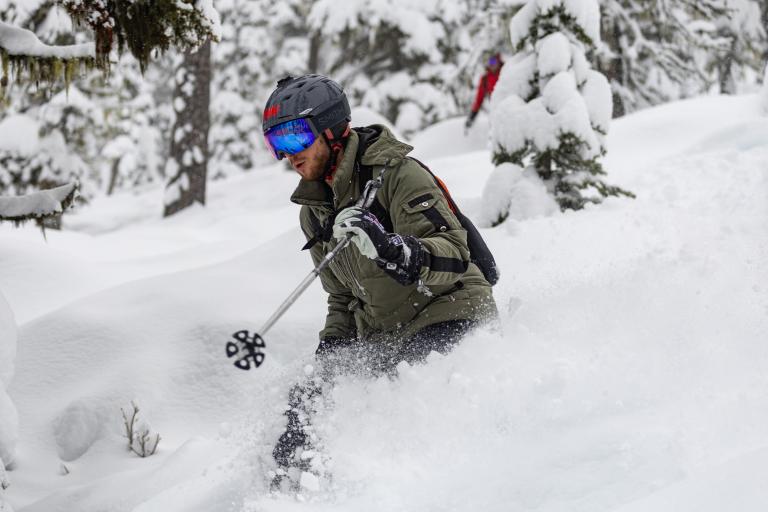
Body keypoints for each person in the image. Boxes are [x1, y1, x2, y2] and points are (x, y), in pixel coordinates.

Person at [261, 74, 497, 491]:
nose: (287, 154)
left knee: (395, 405)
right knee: (304, 409)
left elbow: (454, 253)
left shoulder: (397, 175)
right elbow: (342, 297)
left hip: (448, 314)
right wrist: (331, 356)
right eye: (276, 142)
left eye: (295, 136)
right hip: (387, 336)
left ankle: (386, 493)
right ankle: (289, 494)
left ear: (331, 129)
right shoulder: (314, 211)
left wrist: (393, 249)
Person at [465, 53, 504, 129]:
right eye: (490, 62)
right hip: (495, 109)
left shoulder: (505, 71)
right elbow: (479, 99)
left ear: (498, 62)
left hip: (508, 105)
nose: (492, 64)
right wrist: (472, 115)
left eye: (493, 61)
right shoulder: (485, 78)